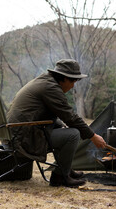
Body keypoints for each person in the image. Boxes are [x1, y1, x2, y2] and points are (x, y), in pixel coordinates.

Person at [6, 59, 106, 187]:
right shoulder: (50, 87)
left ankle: (66, 170)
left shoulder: (45, 81)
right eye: (72, 81)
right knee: (73, 134)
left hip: (19, 132)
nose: (73, 86)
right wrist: (93, 136)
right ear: (63, 78)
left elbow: (51, 115)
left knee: (64, 129)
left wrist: (61, 125)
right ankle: (59, 177)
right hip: (24, 138)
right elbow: (70, 116)